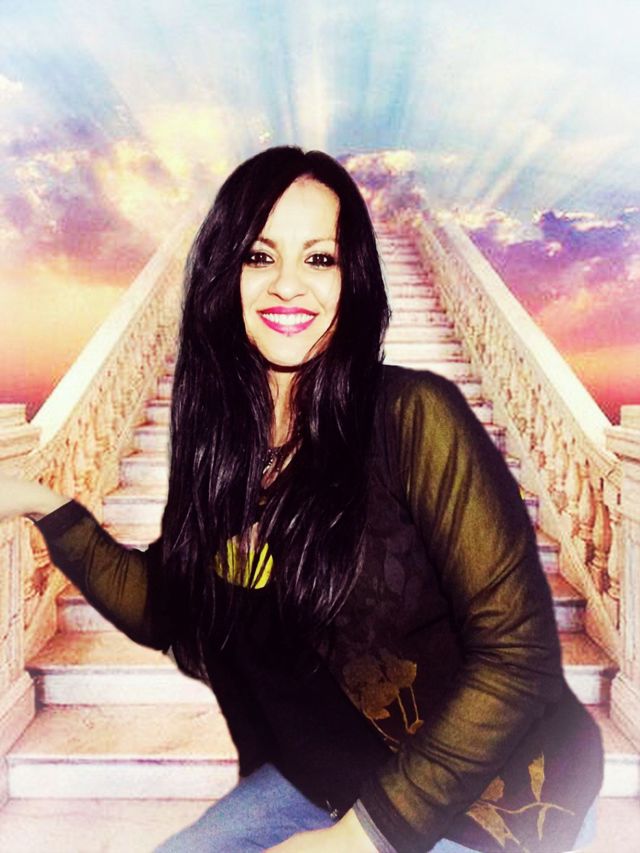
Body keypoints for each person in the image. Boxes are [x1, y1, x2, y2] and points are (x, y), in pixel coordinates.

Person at [0, 146, 602, 852]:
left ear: (353, 279)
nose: (288, 285)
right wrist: (38, 501)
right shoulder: (224, 448)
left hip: (487, 794)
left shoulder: (413, 418)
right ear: (225, 276)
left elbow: (516, 655)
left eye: (319, 258)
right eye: (260, 256)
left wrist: (356, 840)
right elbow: (168, 603)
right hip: (326, 775)